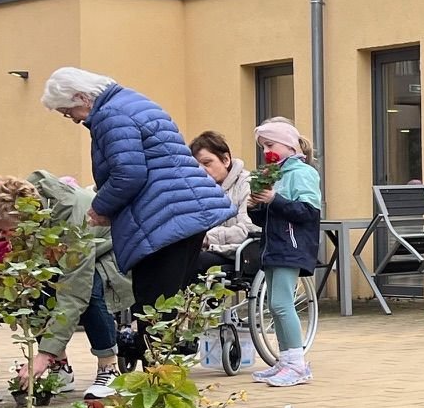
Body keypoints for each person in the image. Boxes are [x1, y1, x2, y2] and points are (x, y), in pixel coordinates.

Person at [40, 67, 230, 316]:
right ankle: (175, 353)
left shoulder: (110, 115)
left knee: (153, 307)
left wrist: (101, 207)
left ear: (82, 98)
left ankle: (159, 354)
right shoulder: (132, 101)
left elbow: (129, 174)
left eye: (68, 112)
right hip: (185, 212)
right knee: (173, 303)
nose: (74, 119)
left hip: (164, 218)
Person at [0, 172, 133, 401]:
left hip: (111, 251)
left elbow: (75, 291)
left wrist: (44, 353)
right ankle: (60, 369)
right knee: (33, 286)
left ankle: (109, 368)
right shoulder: (29, 209)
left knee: (90, 289)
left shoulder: (72, 218)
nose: (3, 236)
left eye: (7, 230)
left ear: (27, 219)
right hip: (70, 255)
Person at [246, 120, 322, 387]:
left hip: (291, 246)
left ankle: (296, 365)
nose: (266, 150)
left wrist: (274, 200)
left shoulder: (301, 173)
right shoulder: (273, 173)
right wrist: (255, 206)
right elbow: (264, 218)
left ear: (289, 145)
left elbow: (309, 212)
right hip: (274, 246)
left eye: (270, 144)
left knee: (281, 304)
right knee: (274, 306)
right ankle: (286, 360)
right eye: (263, 146)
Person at [191, 131, 257, 259]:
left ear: (226, 160)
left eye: (207, 163)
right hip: (208, 249)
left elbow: (249, 228)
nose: (201, 170)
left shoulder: (248, 184)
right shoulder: (197, 191)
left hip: (237, 254)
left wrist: (208, 238)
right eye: (196, 166)